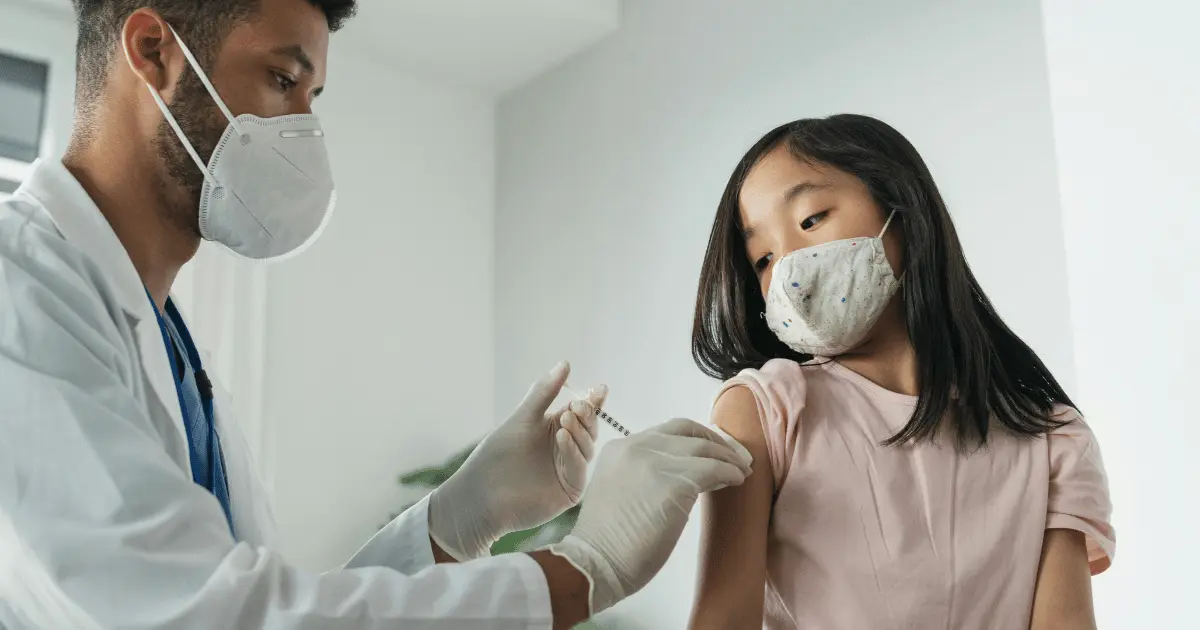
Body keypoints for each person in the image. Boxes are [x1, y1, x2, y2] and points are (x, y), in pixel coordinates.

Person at [0, 1, 752, 628]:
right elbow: (207, 615)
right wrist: (584, 569)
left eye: (312, 98)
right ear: (153, 50)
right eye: (282, 79)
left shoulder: (171, 345)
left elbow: (277, 607)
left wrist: (458, 517)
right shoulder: (19, 284)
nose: (305, 131)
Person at [686, 115, 1114, 630]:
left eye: (811, 219)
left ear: (904, 210)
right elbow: (722, 619)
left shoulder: (1053, 439)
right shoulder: (764, 410)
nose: (788, 268)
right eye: (762, 258)